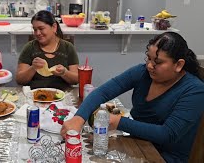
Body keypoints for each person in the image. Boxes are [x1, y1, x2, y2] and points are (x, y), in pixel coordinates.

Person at [61, 32, 204, 162]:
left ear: (178, 65)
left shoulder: (195, 90)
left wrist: (119, 122)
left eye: (158, 62)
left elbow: (167, 134)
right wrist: (78, 118)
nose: (149, 65)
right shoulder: (143, 72)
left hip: (164, 157)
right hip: (138, 143)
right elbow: (103, 92)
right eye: (148, 58)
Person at [16, 10, 79, 90]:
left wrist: (64, 73)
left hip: (62, 96)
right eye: (35, 29)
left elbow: (76, 80)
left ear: (54, 27)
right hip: (35, 95)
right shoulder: (30, 47)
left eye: (41, 28)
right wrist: (33, 68)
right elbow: (19, 80)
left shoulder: (67, 47)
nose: (37, 33)